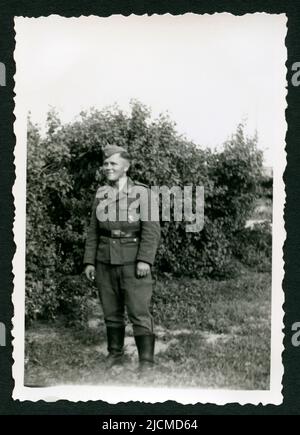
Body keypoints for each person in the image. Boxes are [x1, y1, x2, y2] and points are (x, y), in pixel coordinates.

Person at [83, 144, 160, 373]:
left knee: (138, 311)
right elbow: (93, 230)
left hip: (133, 262)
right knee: (110, 310)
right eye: (105, 164)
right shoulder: (101, 194)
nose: (108, 167)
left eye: (113, 163)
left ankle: (146, 361)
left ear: (126, 167)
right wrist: (89, 261)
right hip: (104, 261)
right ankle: (115, 354)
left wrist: (145, 260)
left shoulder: (143, 194)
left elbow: (151, 230)